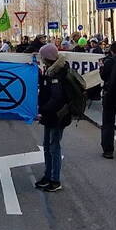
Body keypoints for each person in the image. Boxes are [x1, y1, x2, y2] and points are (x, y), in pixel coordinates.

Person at [35, 43, 83, 192]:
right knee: (48, 146)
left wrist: (42, 109)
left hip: (57, 116)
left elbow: (55, 98)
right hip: (51, 116)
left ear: (48, 58)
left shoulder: (58, 73)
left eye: (43, 57)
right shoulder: (51, 71)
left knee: (53, 147)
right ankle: (48, 176)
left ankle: (55, 180)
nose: (41, 59)